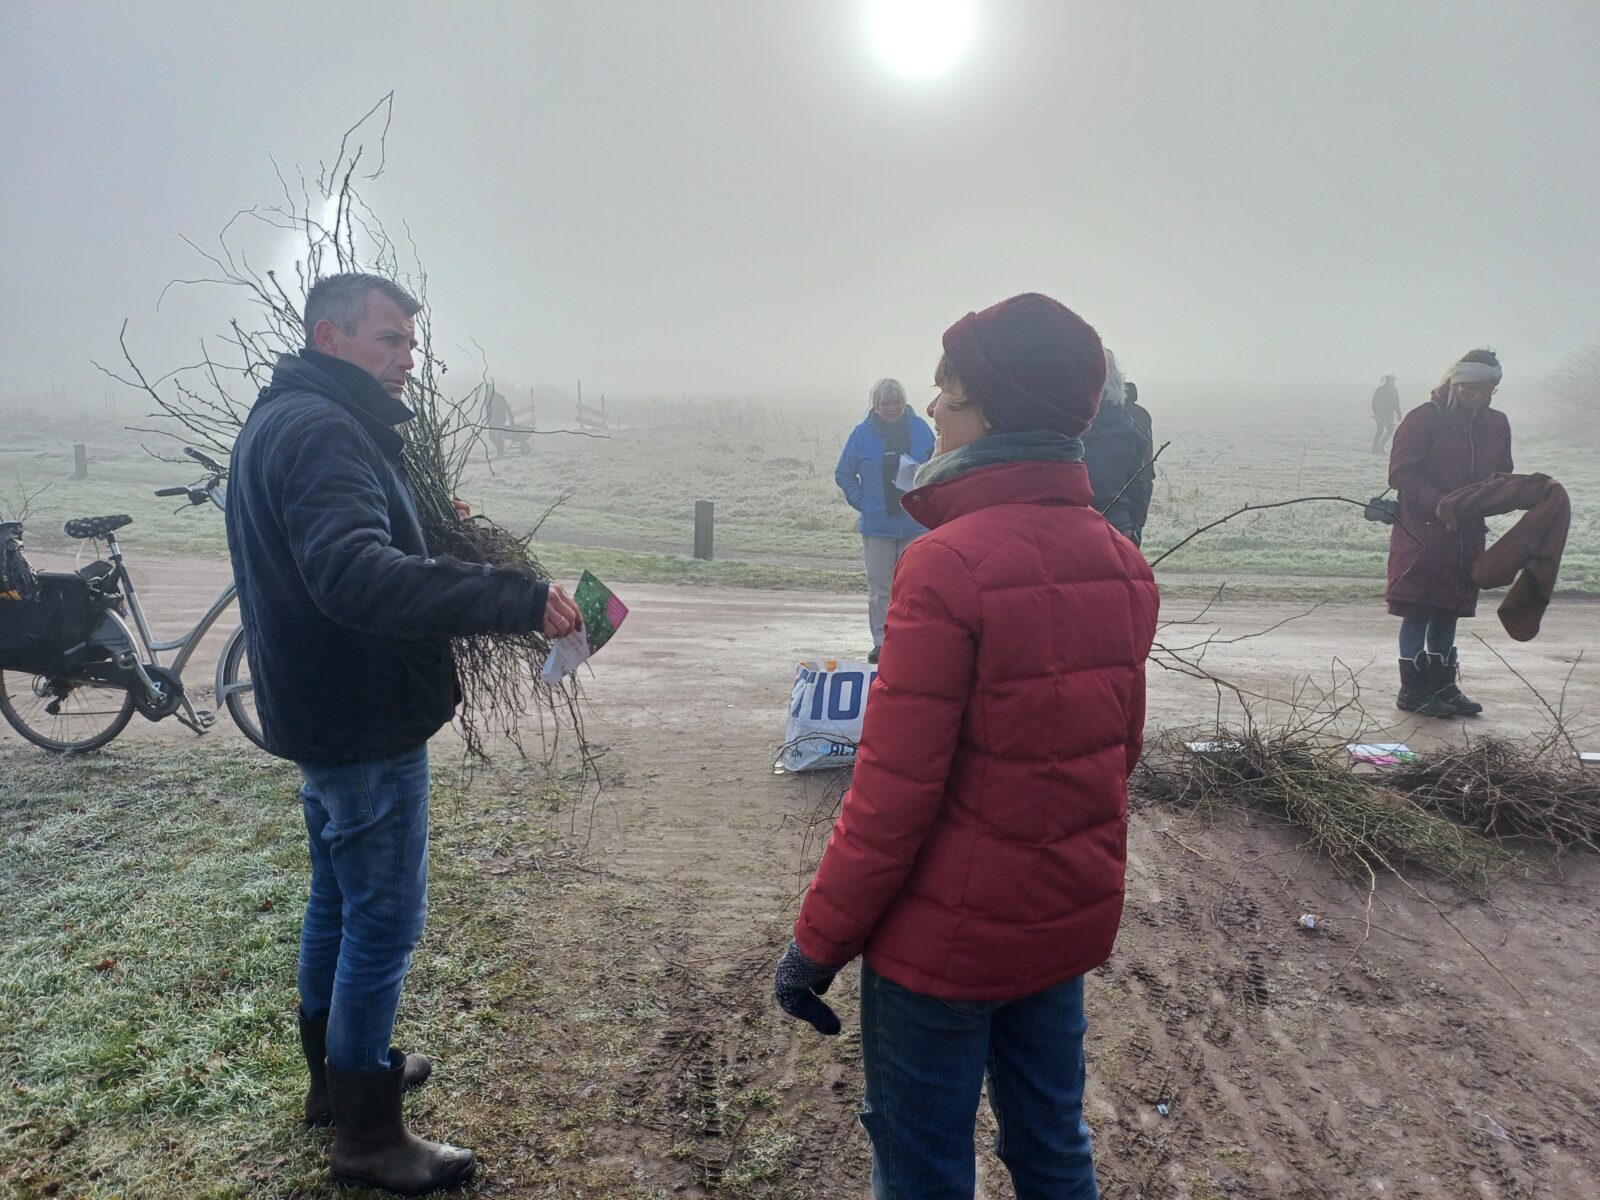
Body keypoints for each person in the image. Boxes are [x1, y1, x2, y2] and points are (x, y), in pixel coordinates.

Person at [777, 293, 1159, 1199]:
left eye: (948, 387)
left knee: (923, 1167)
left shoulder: (945, 566)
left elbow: (890, 797)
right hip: (1057, 928)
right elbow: (1119, 755)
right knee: (1054, 1148)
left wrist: (816, 946)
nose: (934, 405)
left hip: (938, 947)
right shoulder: (1119, 558)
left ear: (993, 410)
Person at [225, 272, 582, 1194]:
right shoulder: (321, 430)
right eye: (390, 341)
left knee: (338, 904)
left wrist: (430, 528)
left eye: (412, 345)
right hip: (361, 716)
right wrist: (512, 597)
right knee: (381, 922)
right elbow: (353, 576)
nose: (408, 361)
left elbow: (347, 547)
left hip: (325, 712)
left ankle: (332, 1085)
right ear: (330, 336)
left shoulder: (289, 415)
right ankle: (369, 1138)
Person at [1386, 349, 1511, 718]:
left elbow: (1501, 474)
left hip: (1467, 532)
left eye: (1488, 388)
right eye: (1472, 388)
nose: (1480, 396)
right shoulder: (1423, 419)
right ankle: (1412, 690)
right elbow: (1402, 474)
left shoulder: (1497, 423)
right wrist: (1440, 504)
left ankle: (1442, 686)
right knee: (1419, 607)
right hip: (1423, 530)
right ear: (1455, 383)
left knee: (1449, 608)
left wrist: (1517, 493)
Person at [834, 378, 935, 662]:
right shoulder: (861, 434)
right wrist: (863, 502)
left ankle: (913, 638)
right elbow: (843, 473)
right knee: (880, 588)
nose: (891, 409)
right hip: (877, 526)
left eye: (896, 403)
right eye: (885, 404)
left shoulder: (920, 430)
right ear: (875, 406)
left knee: (915, 586)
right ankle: (881, 642)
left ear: (904, 403)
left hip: (914, 523)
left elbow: (936, 465)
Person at [1079, 349, 1153, 544]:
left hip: (1076, 525)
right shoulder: (1133, 423)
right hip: (1120, 528)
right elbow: (1141, 482)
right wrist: (1135, 530)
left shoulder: (1068, 424)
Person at [1122, 378, 1156, 544]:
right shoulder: (1142, 414)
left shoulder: (1117, 417)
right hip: (1142, 481)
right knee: (1134, 540)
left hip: (1126, 485)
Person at [1372, 375, 1402, 454]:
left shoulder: (1394, 390)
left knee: (1389, 430)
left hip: (1389, 414)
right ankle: (1376, 449)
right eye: (1393, 381)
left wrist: (1399, 414)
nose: (1394, 382)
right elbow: (1374, 402)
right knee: (1380, 431)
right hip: (1381, 414)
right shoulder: (1381, 390)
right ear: (1389, 381)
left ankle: (1379, 447)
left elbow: (1396, 404)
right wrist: (1377, 413)